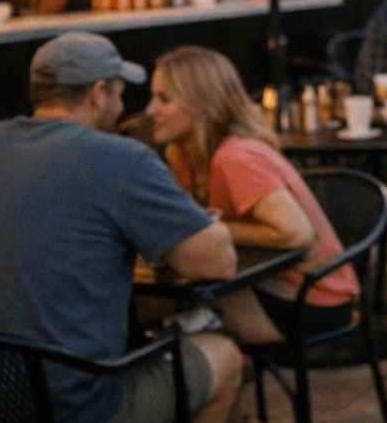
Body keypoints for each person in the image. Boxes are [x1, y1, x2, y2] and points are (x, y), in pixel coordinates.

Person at [0, 31, 243, 423]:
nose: (123, 108)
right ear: (100, 94)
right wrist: (204, 220)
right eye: (120, 94)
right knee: (224, 356)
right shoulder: (122, 158)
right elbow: (217, 264)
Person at [146, 44, 360, 347]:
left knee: (170, 330)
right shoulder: (181, 153)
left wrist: (210, 228)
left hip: (314, 300)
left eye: (164, 99)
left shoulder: (234, 156)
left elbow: (297, 234)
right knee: (160, 312)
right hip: (269, 285)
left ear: (201, 104)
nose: (149, 110)